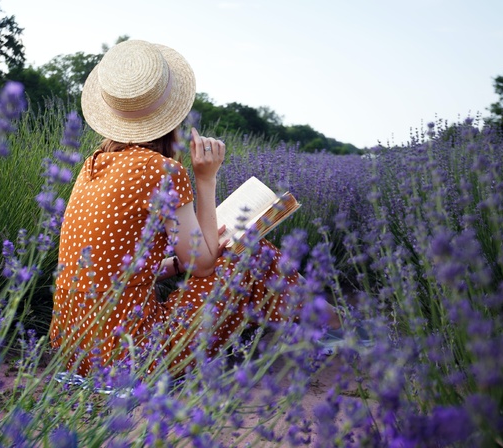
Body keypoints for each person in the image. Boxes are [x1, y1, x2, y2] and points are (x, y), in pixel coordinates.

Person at [49, 40, 344, 377]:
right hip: (130, 356)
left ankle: (321, 326)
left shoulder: (93, 165)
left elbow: (113, 268)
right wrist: (205, 178)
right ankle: (335, 326)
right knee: (253, 252)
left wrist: (175, 264)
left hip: (75, 352)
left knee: (233, 254)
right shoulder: (160, 171)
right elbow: (202, 265)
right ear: (172, 114)